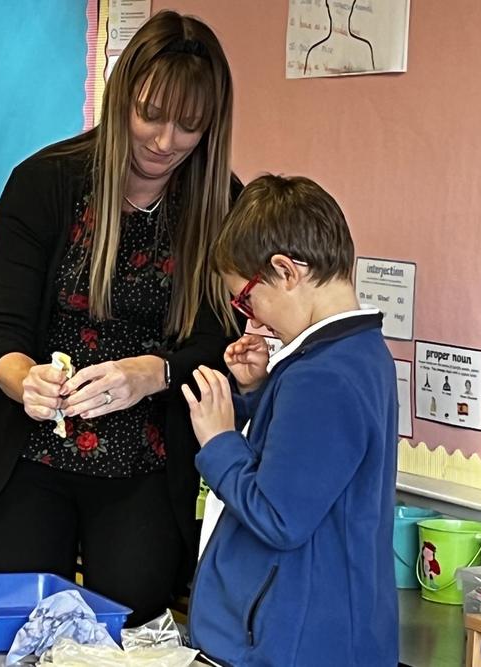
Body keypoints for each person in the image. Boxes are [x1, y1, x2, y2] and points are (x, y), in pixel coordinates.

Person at [0, 10, 239, 625]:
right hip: (33, 454)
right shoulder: (44, 184)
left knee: (134, 617)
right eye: (150, 115)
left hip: (149, 461)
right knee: (27, 619)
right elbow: (4, 331)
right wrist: (25, 379)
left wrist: (154, 373)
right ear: (121, 99)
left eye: (189, 125)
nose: (165, 142)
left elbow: (222, 342)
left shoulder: (222, 205)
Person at [183, 175, 399, 665]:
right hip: (321, 633)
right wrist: (256, 393)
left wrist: (218, 441)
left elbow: (278, 517)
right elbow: (310, 463)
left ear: (285, 271)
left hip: (295, 643)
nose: (252, 320)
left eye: (246, 298)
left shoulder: (322, 375)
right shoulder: (355, 353)